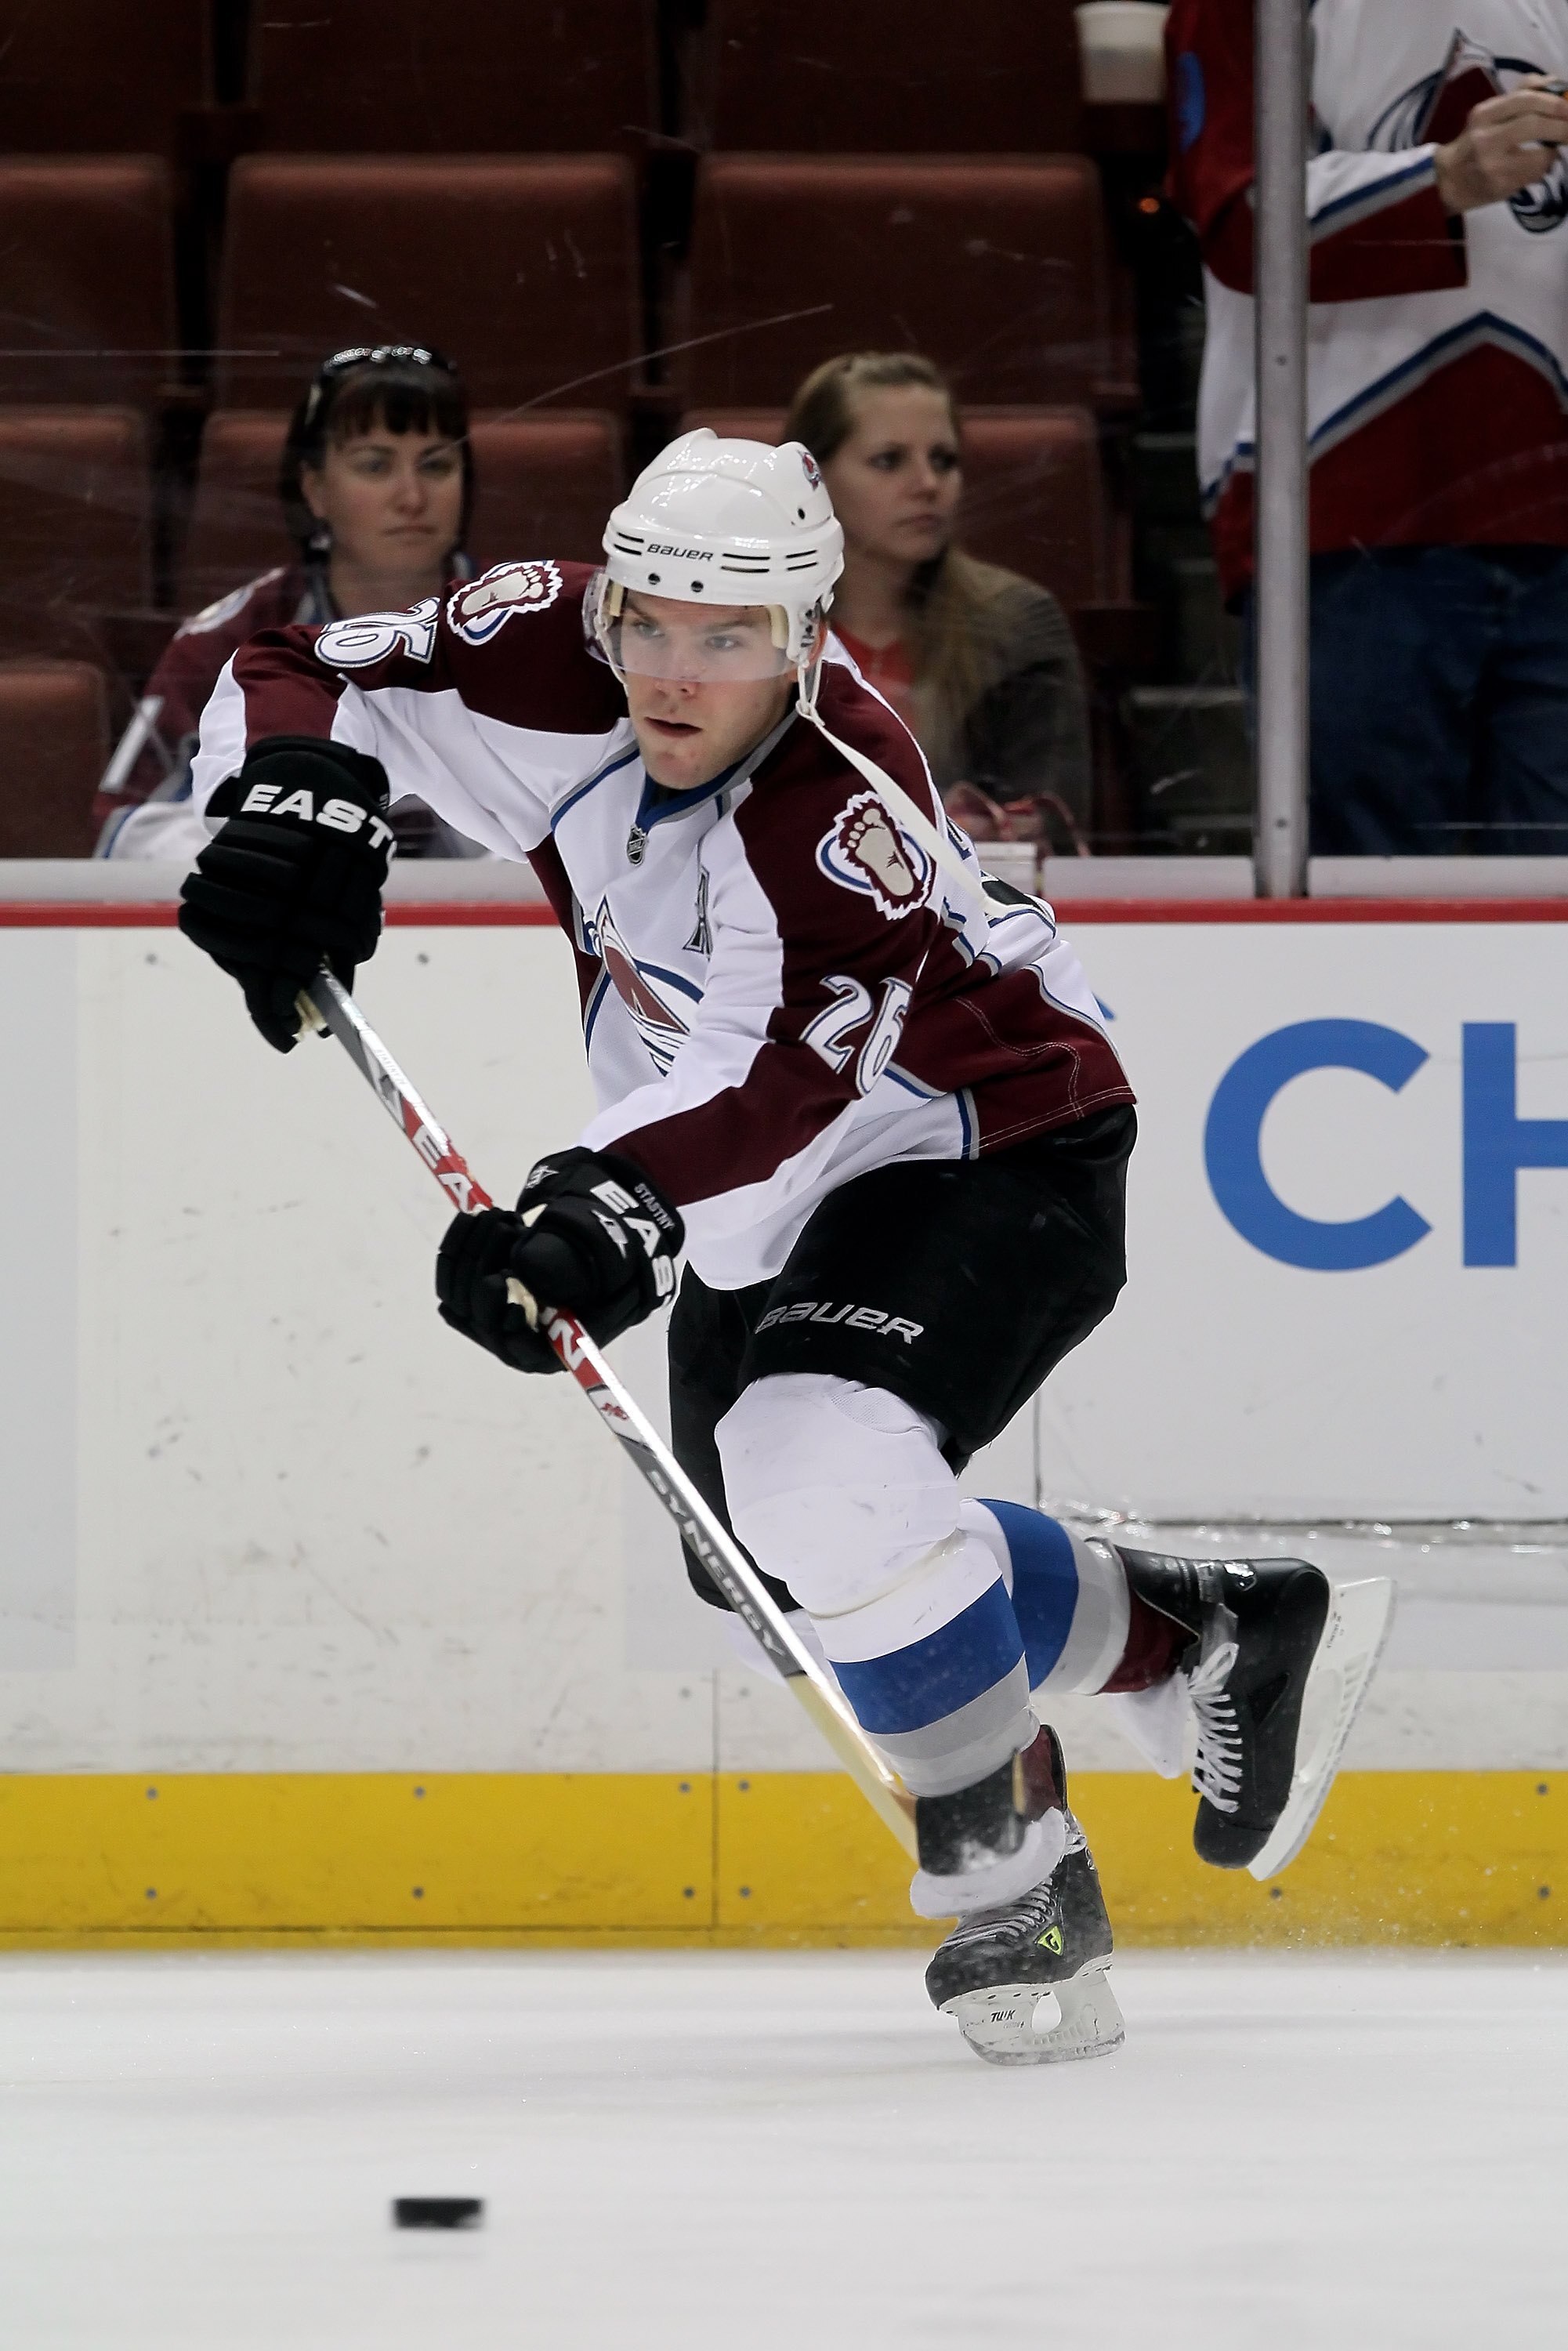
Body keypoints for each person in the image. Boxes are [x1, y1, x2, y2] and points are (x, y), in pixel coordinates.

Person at [172, 430, 1385, 2065]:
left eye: (727, 639)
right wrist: (297, 798)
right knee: (773, 1562)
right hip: (770, 1183)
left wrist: (593, 1204)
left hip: (988, 1139)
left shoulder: (831, 818)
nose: (675, 672)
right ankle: (1198, 1629)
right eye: (651, 623)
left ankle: (1015, 1881)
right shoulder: (550, 634)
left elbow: (769, 1086)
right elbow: (296, 659)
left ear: (808, 637)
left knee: (816, 1470)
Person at [1168, 2, 1568, 854]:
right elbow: (1236, 215)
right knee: (1373, 914)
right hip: (1346, 520)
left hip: (1548, 515)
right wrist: (1445, 178)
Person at [96, 342, 479, 860]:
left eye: (436, 466)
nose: (411, 497)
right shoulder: (227, 643)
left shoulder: (528, 628)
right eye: (375, 466)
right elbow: (125, 832)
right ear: (316, 488)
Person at [785, 352, 1092, 852]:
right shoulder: (752, 626)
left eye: (944, 461)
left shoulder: (1017, 625)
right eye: (889, 461)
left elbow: (1050, 824)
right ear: (812, 479)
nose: (928, 485)